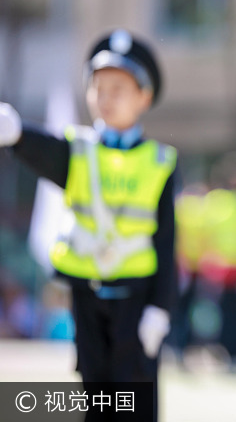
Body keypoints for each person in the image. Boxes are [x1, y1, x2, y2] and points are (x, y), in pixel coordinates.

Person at [0, 30, 179, 421]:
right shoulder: (77, 150)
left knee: (136, 390)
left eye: (119, 88)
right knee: (94, 391)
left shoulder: (160, 161)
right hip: (87, 296)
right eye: (98, 87)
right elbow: (46, 150)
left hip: (137, 296)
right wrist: (15, 132)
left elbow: (166, 242)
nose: (106, 97)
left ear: (144, 97)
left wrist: (161, 309)